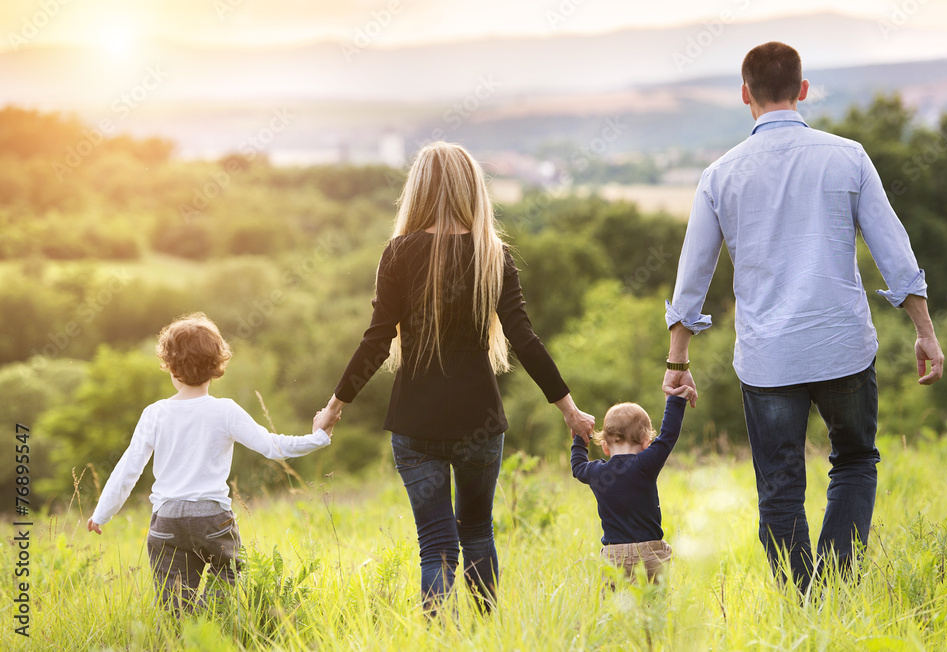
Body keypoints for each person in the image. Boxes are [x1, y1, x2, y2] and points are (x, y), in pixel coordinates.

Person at [662, 41, 945, 593]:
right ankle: (838, 589)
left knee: (780, 489)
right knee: (856, 461)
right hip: (843, 347)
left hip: (768, 361)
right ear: (804, 90)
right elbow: (896, 252)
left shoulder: (719, 175)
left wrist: (678, 360)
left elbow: (691, 277)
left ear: (745, 94)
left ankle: (802, 604)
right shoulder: (849, 157)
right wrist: (925, 331)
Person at [313, 141, 595, 616]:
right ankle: (486, 636)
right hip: (478, 421)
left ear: (417, 189)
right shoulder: (493, 254)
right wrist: (569, 409)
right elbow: (524, 339)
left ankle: (440, 640)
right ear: (472, 189)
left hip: (414, 422)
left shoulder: (399, 252)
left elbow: (377, 340)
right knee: (478, 533)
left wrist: (334, 406)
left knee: (436, 546)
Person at [87, 313, 333, 613]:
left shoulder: (155, 413)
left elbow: (129, 468)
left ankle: (188, 631)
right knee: (231, 575)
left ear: (170, 366)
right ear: (217, 366)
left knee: (174, 605)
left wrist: (102, 513)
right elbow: (273, 447)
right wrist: (319, 437)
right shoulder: (225, 411)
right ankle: (211, 617)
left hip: (167, 521)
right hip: (212, 519)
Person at [571, 390, 693, 588]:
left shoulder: (597, 472)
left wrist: (579, 439)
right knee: (654, 611)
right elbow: (668, 435)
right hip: (650, 555)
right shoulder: (645, 464)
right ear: (646, 443)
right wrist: (676, 401)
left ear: (605, 447)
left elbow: (577, 467)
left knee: (615, 612)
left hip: (614, 557)